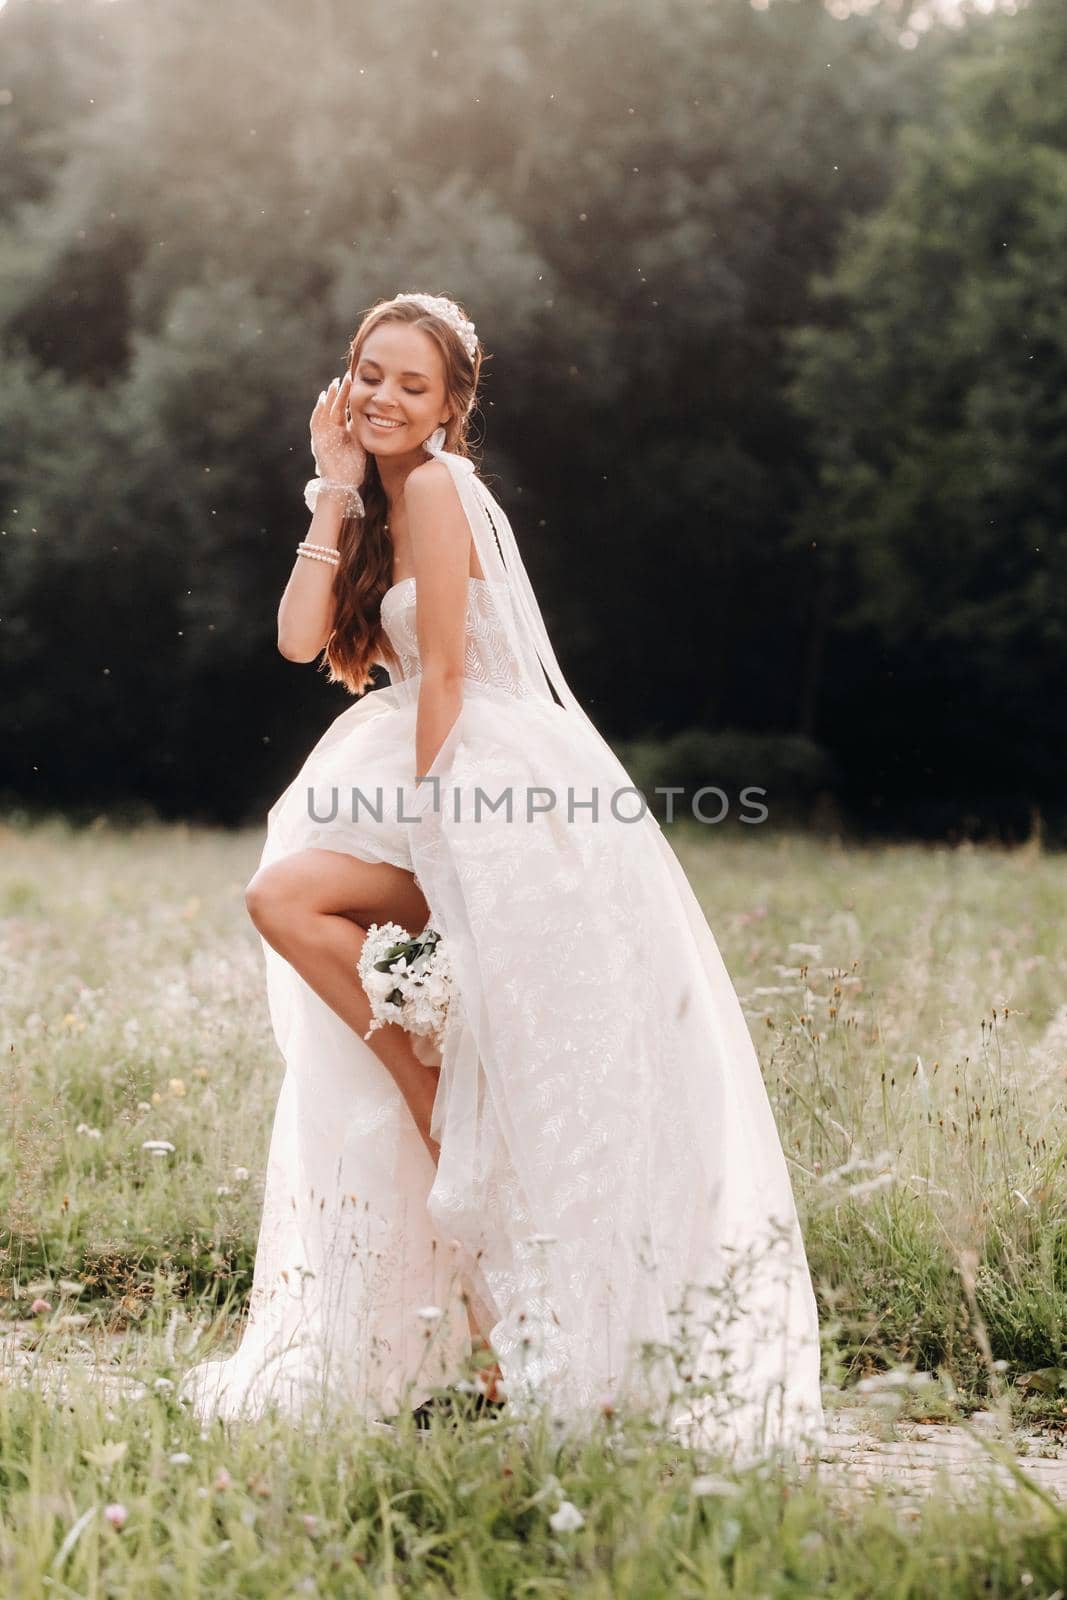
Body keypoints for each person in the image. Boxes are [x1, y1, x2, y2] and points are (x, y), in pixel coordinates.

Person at [179, 292, 826, 1463]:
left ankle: (448, 1114)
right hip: (419, 760)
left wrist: (441, 827)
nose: (380, 395)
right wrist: (328, 484)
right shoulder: (376, 494)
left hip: (480, 774)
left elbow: (443, 679)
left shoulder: (434, 488)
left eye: (409, 385)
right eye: (367, 373)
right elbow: (292, 638)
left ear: (450, 407)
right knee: (315, 919)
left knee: (289, 898)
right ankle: (455, 1197)